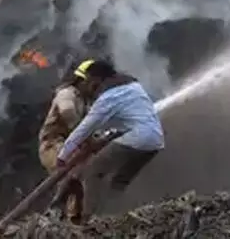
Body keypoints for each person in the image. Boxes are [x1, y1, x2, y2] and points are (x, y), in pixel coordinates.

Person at [50, 58, 165, 217]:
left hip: (138, 139)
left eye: (87, 80)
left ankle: (89, 219)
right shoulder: (133, 87)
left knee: (93, 171)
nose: (86, 86)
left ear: (96, 79)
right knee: (119, 181)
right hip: (155, 142)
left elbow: (83, 129)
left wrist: (63, 155)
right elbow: (126, 117)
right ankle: (114, 212)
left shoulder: (108, 98)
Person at [37, 62, 90, 224]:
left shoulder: (84, 101)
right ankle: (53, 212)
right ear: (83, 81)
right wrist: (82, 133)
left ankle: (72, 222)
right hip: (52, 144)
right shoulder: (68, 93)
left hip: (67, 145)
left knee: (78, 186)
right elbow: (67, 111)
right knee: (71, 174)